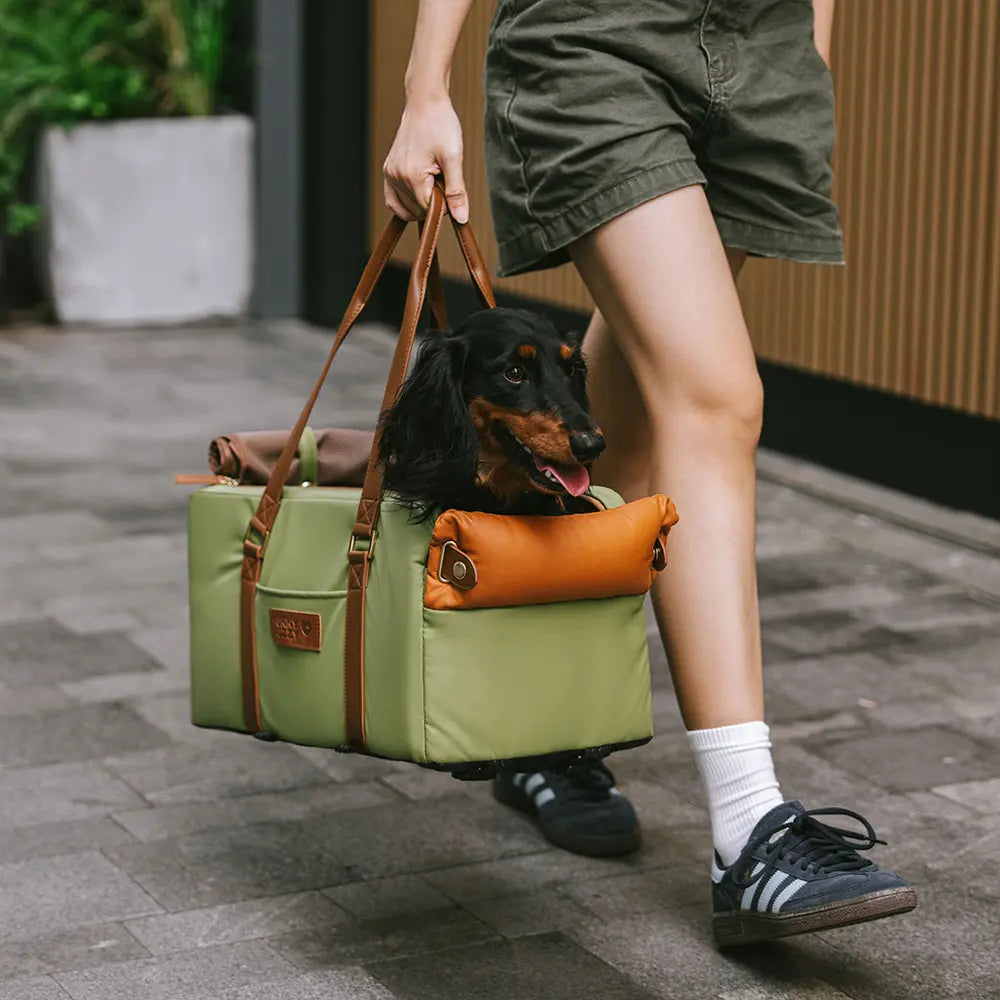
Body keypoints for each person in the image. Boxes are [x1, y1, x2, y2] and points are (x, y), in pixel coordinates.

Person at [384, 0, 917, 945]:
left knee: (612, 432)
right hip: (599, 39)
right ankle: (749, 830)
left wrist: (810, 50)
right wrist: (427, 85)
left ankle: (540, 730)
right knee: (717, 399)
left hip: (767, 53)